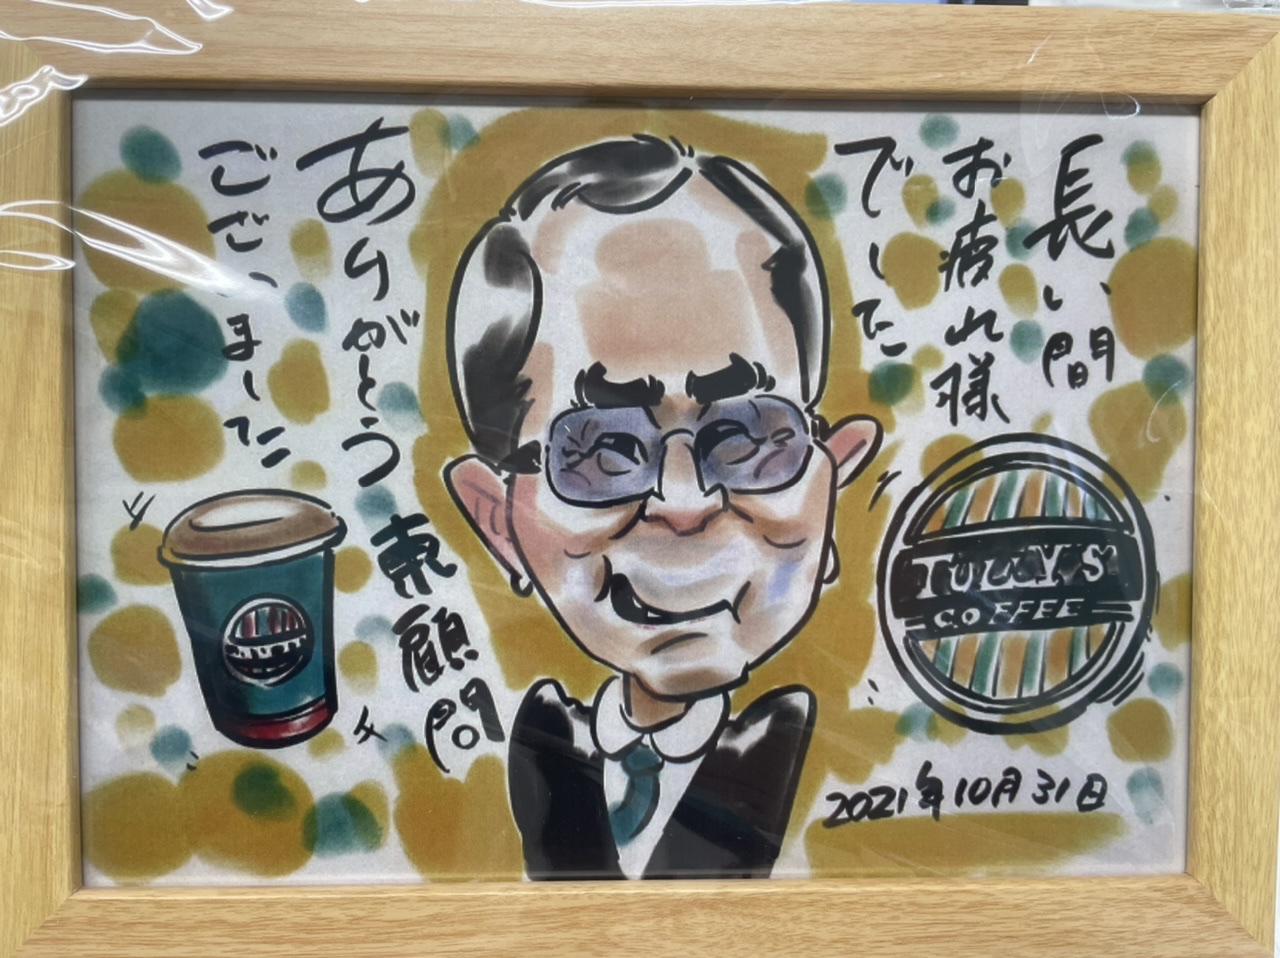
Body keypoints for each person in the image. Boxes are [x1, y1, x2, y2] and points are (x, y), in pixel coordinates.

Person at [443, 134, 881, 880]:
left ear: (828, 481)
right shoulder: (536, 751)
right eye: (603, 451)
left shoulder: (854, 770)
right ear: (499, 522)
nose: (684, 502)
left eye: (747, 436)